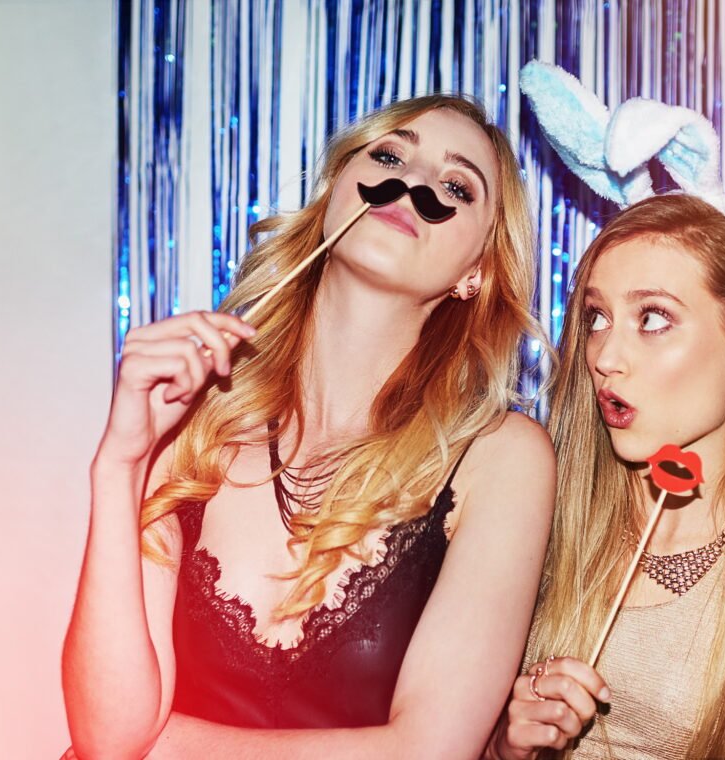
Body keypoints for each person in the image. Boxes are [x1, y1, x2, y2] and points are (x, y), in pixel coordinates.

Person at [62, 94, 555, 760]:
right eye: (388, 154)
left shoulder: (502, 460)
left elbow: (429, 752)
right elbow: (107, 733)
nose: (411, 184)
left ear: (477, 272)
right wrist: (119, 466)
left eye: (455, 186)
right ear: (333, 195)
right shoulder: (196, 414)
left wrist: (162, 745)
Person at [486, 192, 725, 759]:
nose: (606, 355)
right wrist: (507, 750)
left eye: (653, 318)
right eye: (597, 318)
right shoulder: (535, 513)